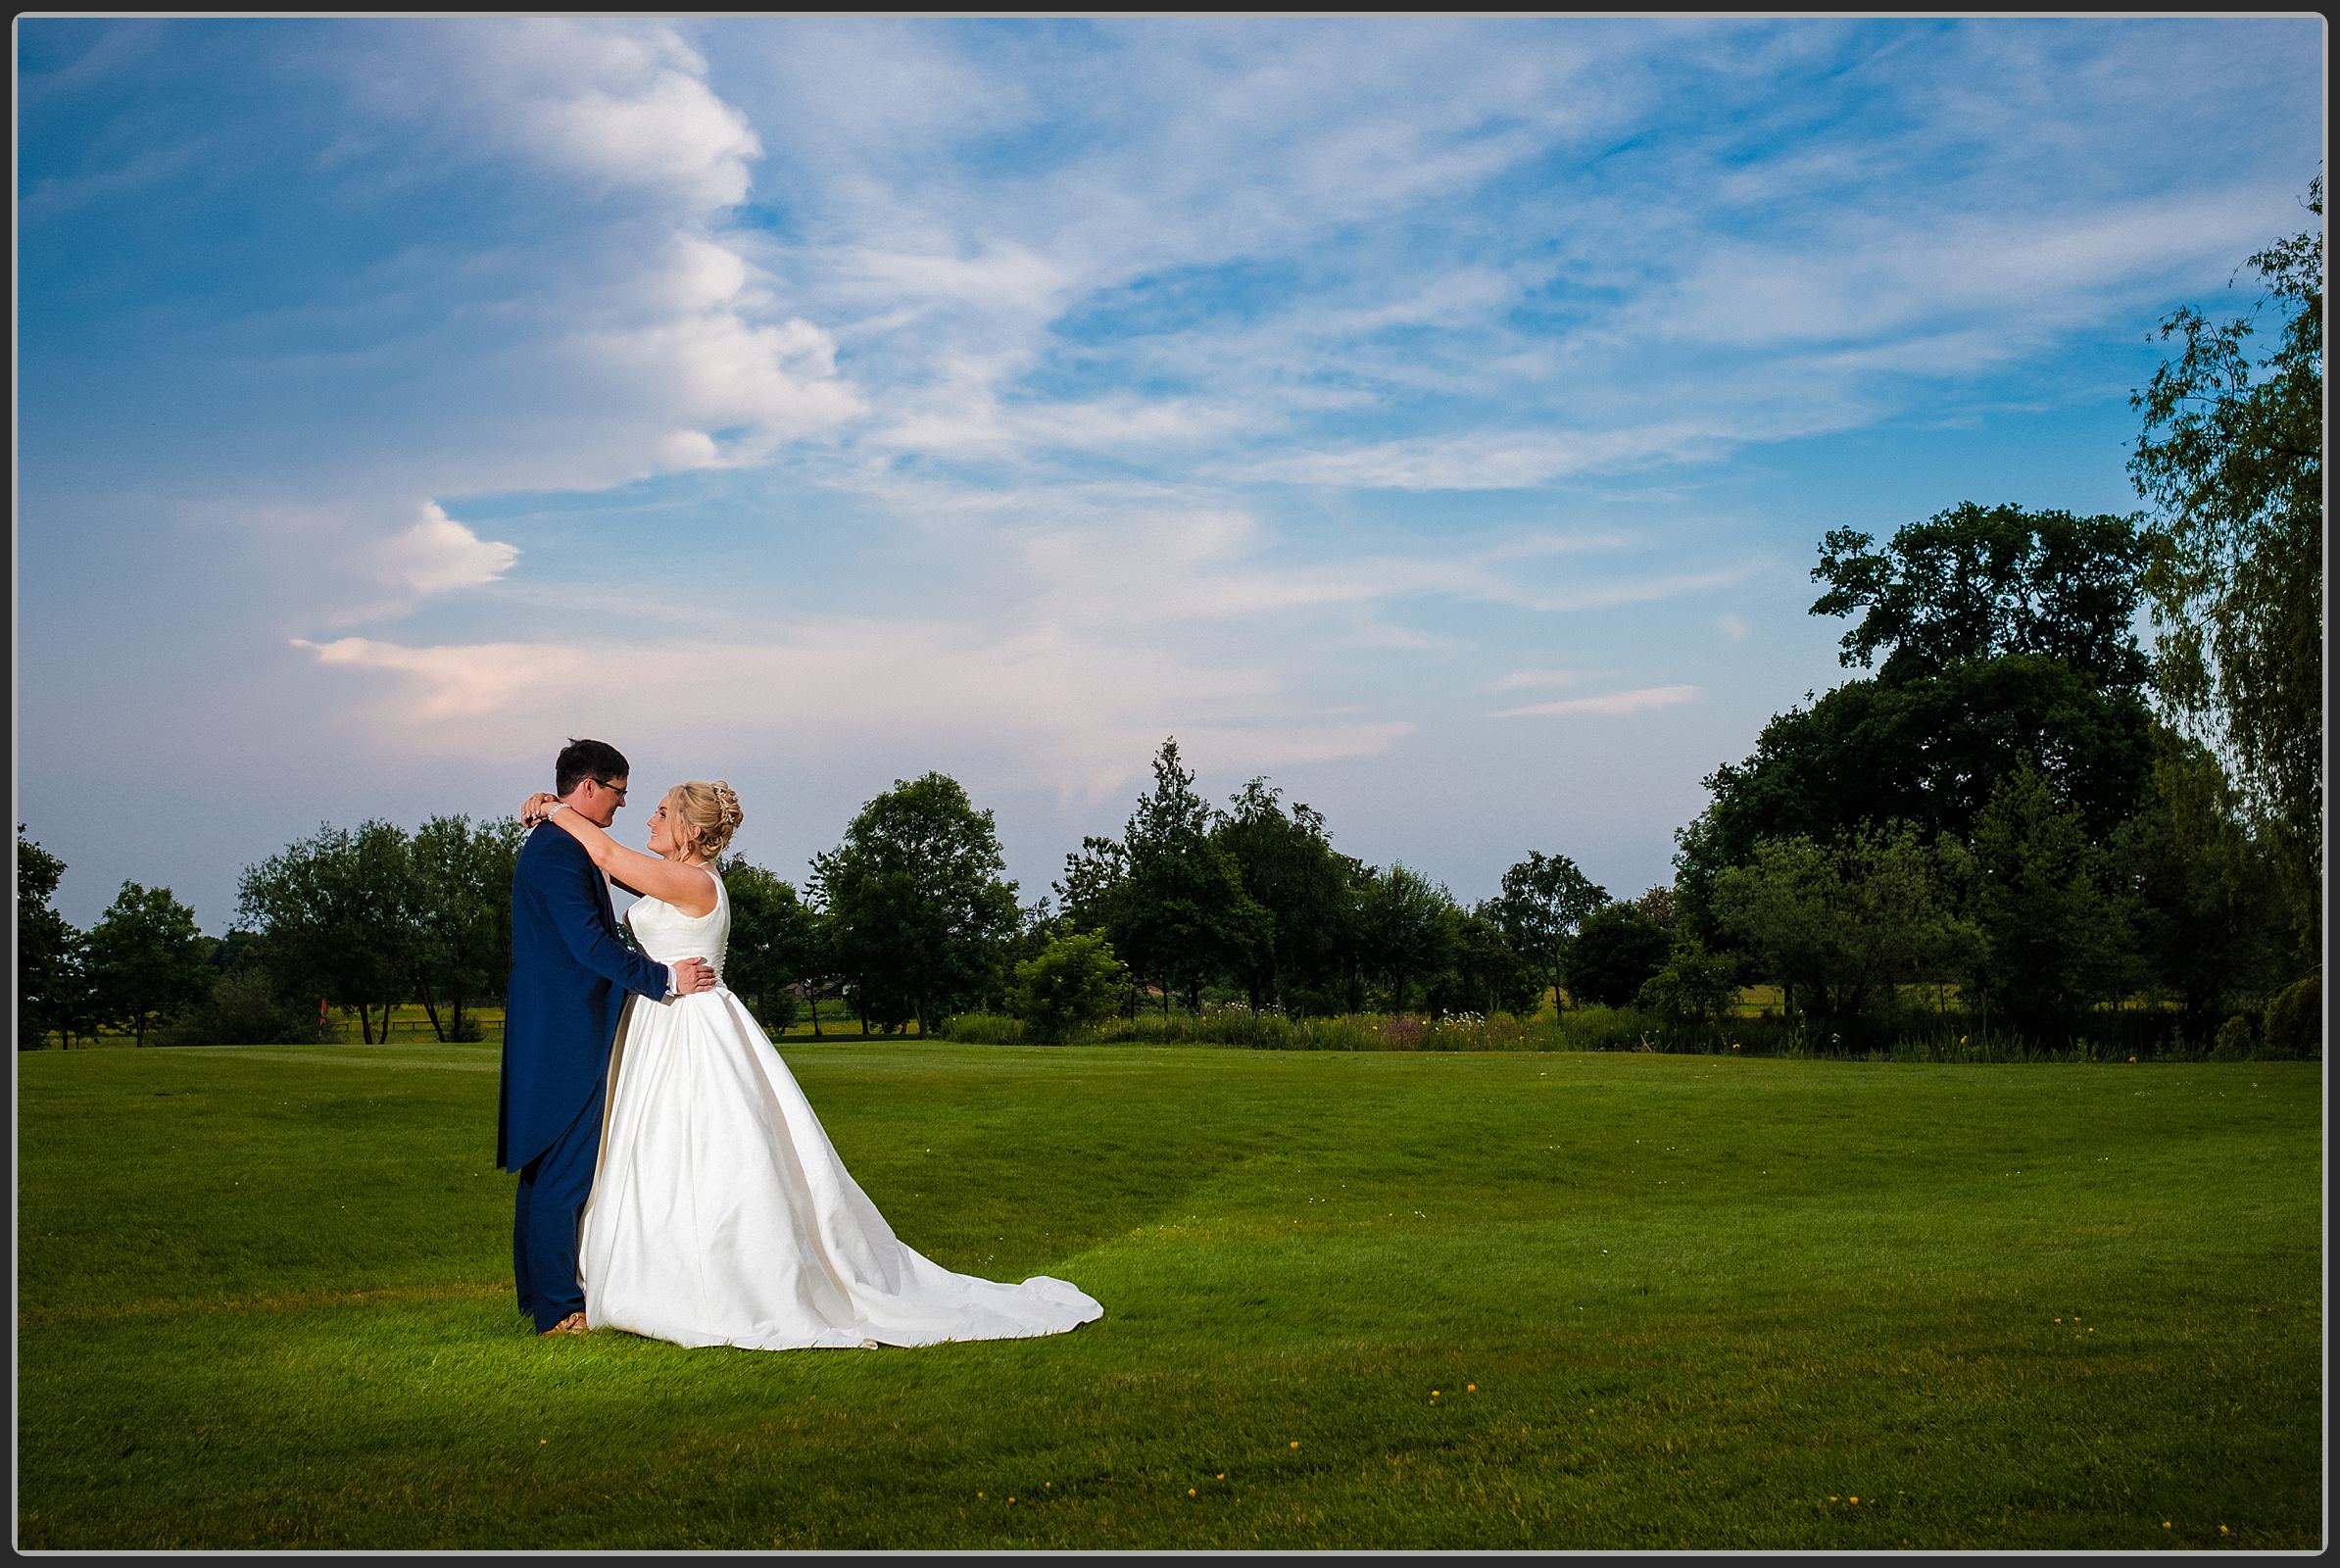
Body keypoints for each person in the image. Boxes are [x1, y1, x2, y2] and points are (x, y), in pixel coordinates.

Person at [517, 777, 1102, 1350]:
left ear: (690, 831)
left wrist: (551, 807)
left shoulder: (691, 882)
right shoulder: (678, 880)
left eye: (662, 811)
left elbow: (604, 851)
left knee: (704, 1147)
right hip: (658, 1022)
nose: (648, 818)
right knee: (656, 1149)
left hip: (689, 1024)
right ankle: (645, 1268)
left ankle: (713, 1279)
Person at [500, 739, 718, 1337]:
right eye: (620, 794)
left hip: (560, 1025)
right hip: (566, 1030)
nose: (626, 807)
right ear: (592, 786)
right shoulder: (558, 852)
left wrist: (551, 807)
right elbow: (589, 945)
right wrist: (662, 978)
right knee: (564, 1169)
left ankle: (543, 1296)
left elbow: (615, 872)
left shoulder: (560, 842)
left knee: (550, 1167)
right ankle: (556, 1309)